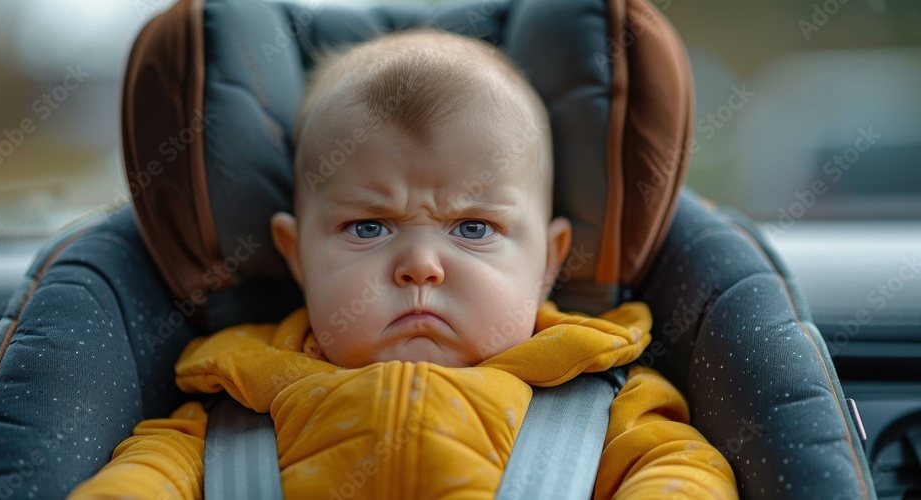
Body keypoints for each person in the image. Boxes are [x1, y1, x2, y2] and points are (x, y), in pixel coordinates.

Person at [70, 30, 737, 499]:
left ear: (548, 261)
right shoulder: (237, 402)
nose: (420, 264)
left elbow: (680, 471)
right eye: (369, 226)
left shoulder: (601, 403)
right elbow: (150, 473)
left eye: (473, 227)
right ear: (297, 256)